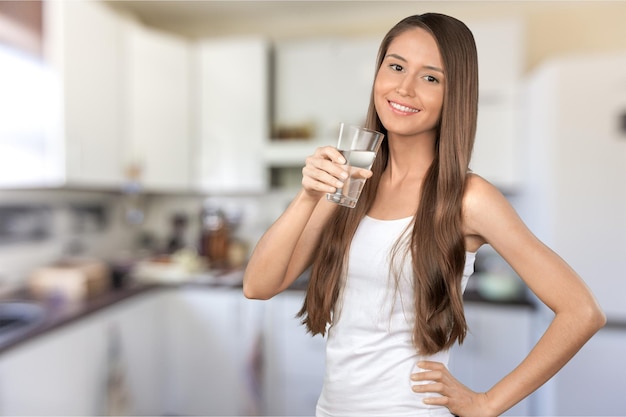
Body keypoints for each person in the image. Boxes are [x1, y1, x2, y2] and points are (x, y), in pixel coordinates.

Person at [243, 12, 606, 417]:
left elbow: (582, 311)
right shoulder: (353, 180)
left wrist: (487, 403)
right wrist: (308, 195)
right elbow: (259, 285)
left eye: (430, 77)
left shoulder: (468, 197)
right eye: (396, 66)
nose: (404, 87)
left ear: (455, 94)